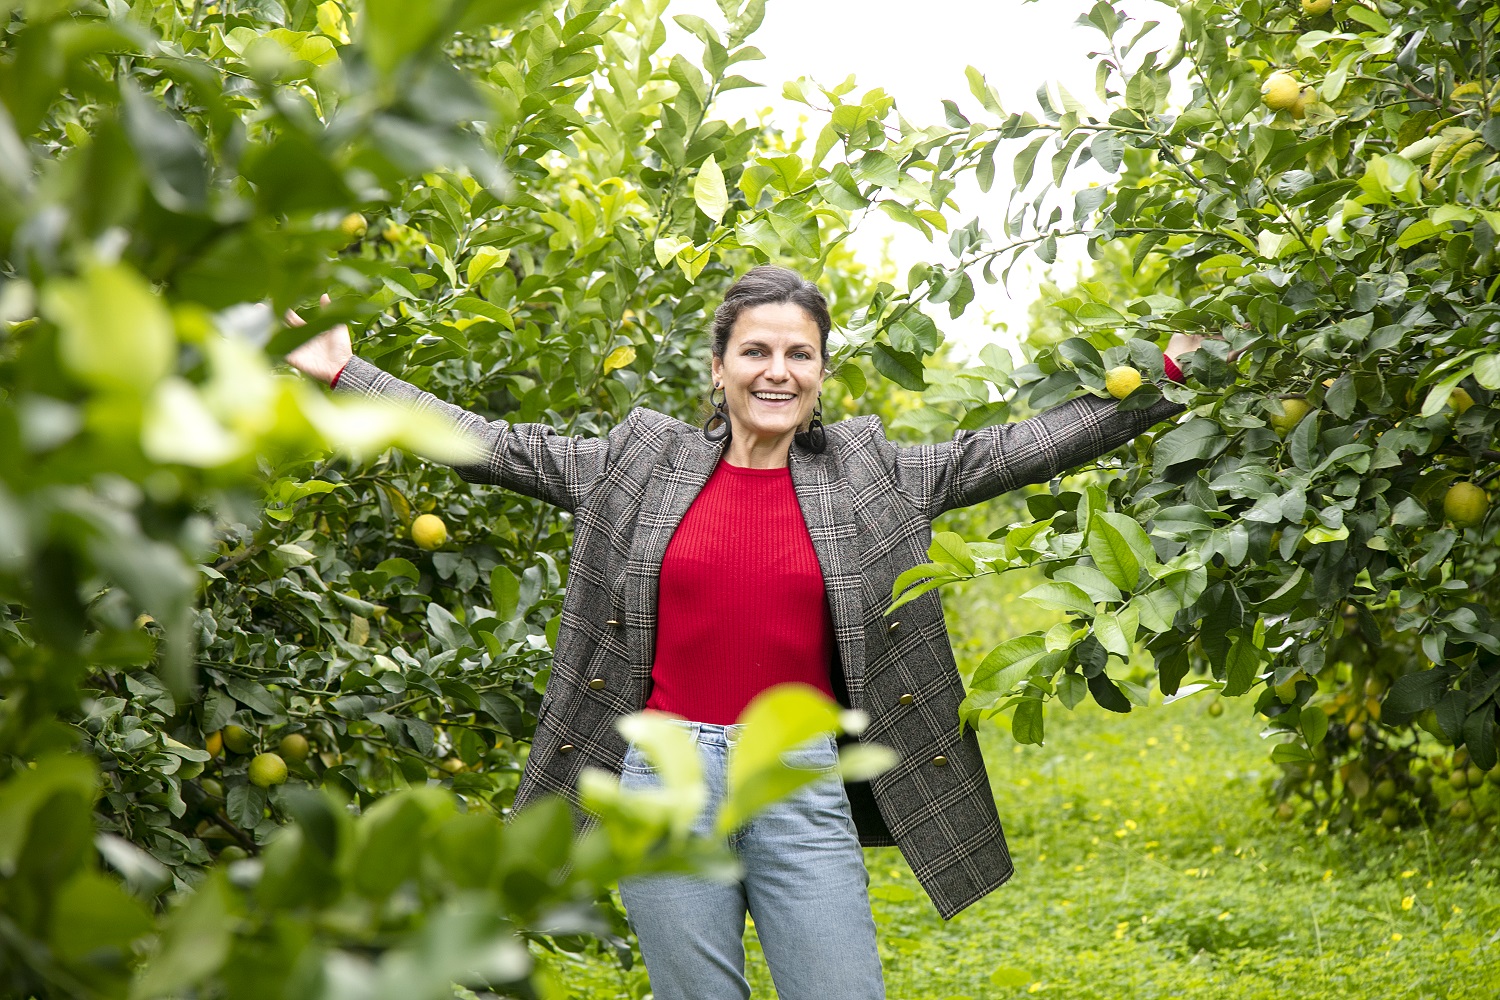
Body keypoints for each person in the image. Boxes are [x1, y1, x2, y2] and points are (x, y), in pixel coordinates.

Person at [286, 265, 1200, 999]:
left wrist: (1166, 381)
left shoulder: (868, 471)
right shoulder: (640, 463)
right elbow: (488, 444)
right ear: (718, 367)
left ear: (819, 373)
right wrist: (342, 371)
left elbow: (1017, 448)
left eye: (799, 355)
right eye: (756, 350)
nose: (777, 371)